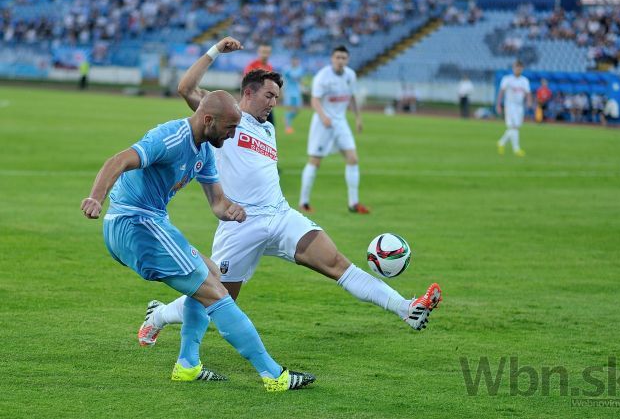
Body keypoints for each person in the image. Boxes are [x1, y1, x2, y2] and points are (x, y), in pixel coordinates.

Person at [137, 38, 442, 353]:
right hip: (241, 223)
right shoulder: (229, 121)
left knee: (337, 262)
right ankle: (158, 315)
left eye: (277, 98)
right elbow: (186, 88)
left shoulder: (268, 129)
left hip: (281, 216)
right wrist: (215, 51)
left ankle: (407, 308)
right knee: (216, 298)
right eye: (269, 95)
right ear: (248, 93)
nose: (273, 103)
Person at [81, 37, 315, 392]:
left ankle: (188, 364)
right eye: (230, 128)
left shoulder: (205, 150)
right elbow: (118, 160)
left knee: (211, 273)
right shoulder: (171, 138)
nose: (234, 133)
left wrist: (232, 211)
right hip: (134, 223)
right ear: (208, 119)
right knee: (216, 294)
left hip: (151, 223)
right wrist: (96, 198)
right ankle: (274, 375)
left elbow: (218, 203)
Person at [299, 45, 369, 214]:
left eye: (343, 58)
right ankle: (304, 202)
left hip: (341, 122)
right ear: (332, 58)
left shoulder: (350, 75)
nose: (340, 60)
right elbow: (314, 100)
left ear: (348, 60)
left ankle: (353, 203)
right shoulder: (322, 77)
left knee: (353, 159)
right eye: (337, 57)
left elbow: (351, 97)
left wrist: (358, 118)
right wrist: (324, 117)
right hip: (323, 124)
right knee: (315, 161)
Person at [496, 60, 532, 157]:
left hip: (519, 106)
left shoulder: (524, 80)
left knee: (515, 127)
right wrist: (498, 104)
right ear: (513, 68)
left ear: (522, 69)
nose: (518, 69)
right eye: (516, 67)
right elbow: (501, 92)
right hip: (510, 105)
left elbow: (528, 93)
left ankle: (501, 142)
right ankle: (516, 149)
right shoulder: (507, 79)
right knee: (513, 127)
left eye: (520, 67)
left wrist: (529, 102)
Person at [243, 44, 275, 125]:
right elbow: (248, 84)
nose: (265, 55)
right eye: (263, 52)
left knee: (270, 127)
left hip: (267, 103)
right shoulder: (252, 66)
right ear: (258, 52)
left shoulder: (269, 67)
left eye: (267, 52)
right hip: (255, 103)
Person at [282, 56, 305, 134]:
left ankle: (287, 117)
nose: (295, 62)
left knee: (298, 109)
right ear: (291, 61)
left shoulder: (300, 70)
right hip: (289, 92)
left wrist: (303, 88)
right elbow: (283, 80)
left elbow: (301, 80)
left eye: (297, 60)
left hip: (297, 92)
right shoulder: (287, 69)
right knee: (290, 109)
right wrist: (282, 91)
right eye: (294, 60)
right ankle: (288, 127)